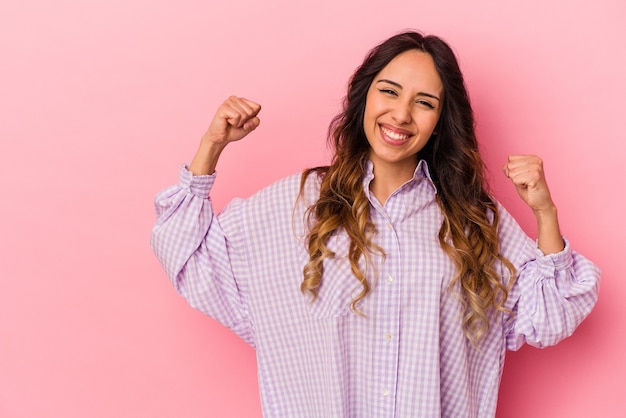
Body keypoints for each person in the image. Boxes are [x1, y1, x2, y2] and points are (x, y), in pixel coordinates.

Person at [151, 31, 600, 417]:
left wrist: (545, 211)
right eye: (389, 91)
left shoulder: (473, 220)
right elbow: (188, 251)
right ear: (364, 97)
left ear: (440, 123)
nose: (401, 114)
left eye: (423, 103)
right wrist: (212, 145)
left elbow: (550, 314)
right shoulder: (296, 205)